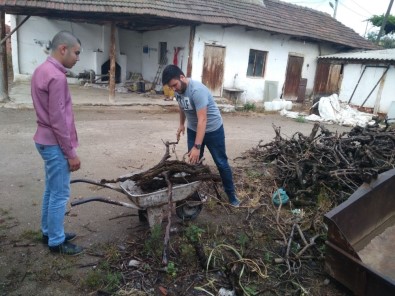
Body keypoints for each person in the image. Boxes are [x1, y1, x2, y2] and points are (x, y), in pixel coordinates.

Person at [31, 31, 83, 255]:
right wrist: (71, 153)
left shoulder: (41, 70)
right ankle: (56, 242)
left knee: (51, 190)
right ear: (63, 49)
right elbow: (59, 120)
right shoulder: (57, 77)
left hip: (43, 140)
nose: (78, 58)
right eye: (76, 53)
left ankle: (49, 231)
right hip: (54, 144)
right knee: (60, 193)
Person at [162, 65, 240, 207]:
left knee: (221, 163)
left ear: (182, 77)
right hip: (193, 129)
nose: (174, 89)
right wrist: (181, 124)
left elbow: (202, 120)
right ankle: (193, 196)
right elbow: (182, 106)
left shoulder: (197, 90)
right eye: (171, 87)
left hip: (213, 130)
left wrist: (197, 146)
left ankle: (232, 196)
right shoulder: (178, 90)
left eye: (174, 85)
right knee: (193, 164)